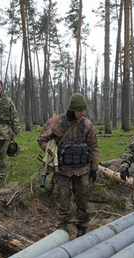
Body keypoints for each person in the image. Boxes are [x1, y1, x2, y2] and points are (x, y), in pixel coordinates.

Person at [37, 93, 98, 237]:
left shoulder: (87, 124)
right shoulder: (55, 122)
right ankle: (60, 235)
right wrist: (55, 152)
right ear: (72, 109)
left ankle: (82, 233)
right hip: (63, 171)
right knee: (63, 206)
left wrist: (94, 169)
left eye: (84, 110)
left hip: (82, 171)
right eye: (79, 110)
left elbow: (94, 146)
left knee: (83, 205)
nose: (82, 113)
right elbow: (42, 140)